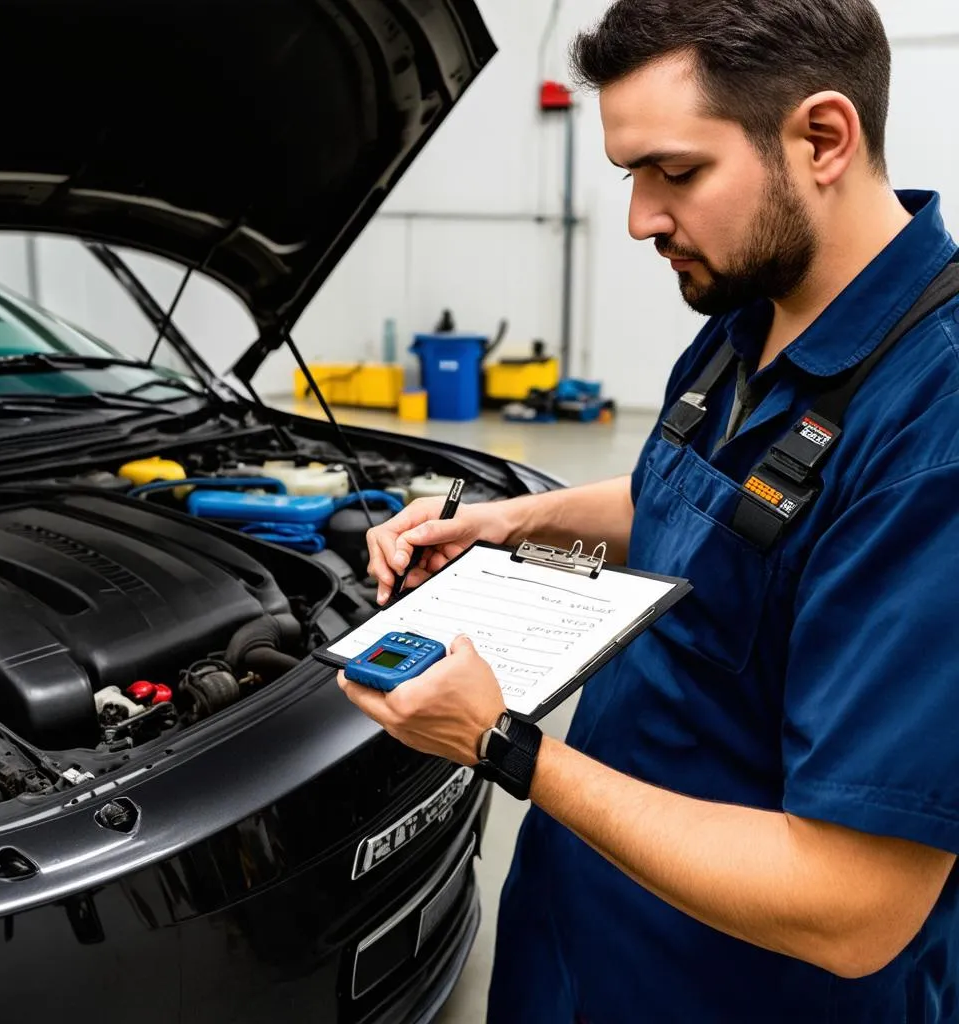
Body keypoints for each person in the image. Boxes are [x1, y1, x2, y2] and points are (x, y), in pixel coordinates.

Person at [339, 1, 959, 1020]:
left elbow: (854, 907)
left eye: (674, 173)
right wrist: (506, 523)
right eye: (631, 174)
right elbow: (701, 504)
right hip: (577, 936)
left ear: (821, 138)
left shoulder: (928, 437)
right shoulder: (745, 316)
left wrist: (504, 742)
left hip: (735, 990)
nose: (639, 219)